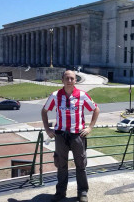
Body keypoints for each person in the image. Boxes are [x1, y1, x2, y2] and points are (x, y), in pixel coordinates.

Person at [41, 70, 100, 202]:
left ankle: (82, 193)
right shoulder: (55, 95)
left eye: (72, 78)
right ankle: (60, 193)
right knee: (61, 165)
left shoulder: (82, 95)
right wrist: (47, 128)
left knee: (80, 164)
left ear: (75, 80)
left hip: (77, 135)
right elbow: (44, 111)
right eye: (67, 78)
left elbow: (96, 109)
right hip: (61, 135)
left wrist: (90, 127)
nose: (69, 81)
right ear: (62, 80)